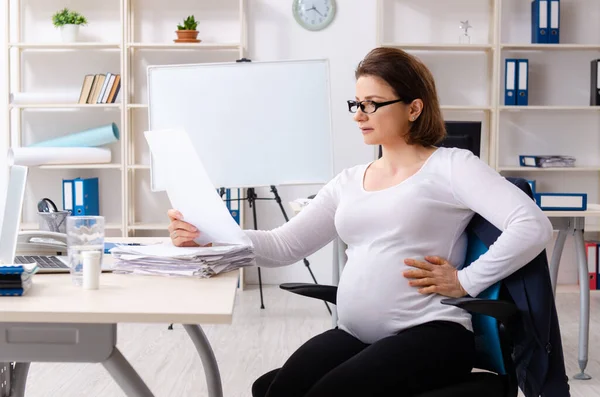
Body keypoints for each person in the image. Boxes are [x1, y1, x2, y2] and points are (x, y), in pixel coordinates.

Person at [166, 47, 554, 397]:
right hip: (354, 334)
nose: (359, 114)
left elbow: (532, 225)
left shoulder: (452, 166)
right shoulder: (349, 180)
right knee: (276, 392)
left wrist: (466, 280)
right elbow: (284, 245)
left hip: (432, 335)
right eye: (357, 102)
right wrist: (210, 237)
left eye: (372, 103)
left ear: (414, 108)